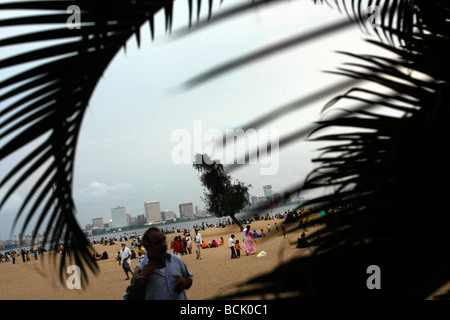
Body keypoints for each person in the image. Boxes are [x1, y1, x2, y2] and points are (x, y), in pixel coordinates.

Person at [123, 227, 193, 300]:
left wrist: (184, 281)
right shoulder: (140, 270)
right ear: (148, 247)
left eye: (164, 240)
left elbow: (189, 279)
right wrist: (142, 279)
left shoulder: (176, 260)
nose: (163, 244)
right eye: (158, 242)